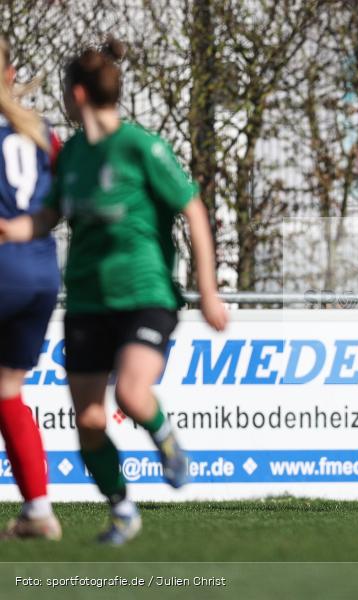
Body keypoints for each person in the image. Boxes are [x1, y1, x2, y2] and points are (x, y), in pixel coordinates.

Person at [0, 38, 228, 545]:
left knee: (130, 391)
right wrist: (10, 229)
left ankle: (166, 439)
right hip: (86, 301)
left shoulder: (141, 147)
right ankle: (122, 508)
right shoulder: (74, 153)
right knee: (88, 420)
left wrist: (208, 291)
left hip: (145, 294)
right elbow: (48, 215)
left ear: (76, 94)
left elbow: (192, 209)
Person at [0, 37, 63, 540]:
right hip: (41, 275)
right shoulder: (42, 132)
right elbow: (66, 200)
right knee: (7, 390)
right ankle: (38, 511)